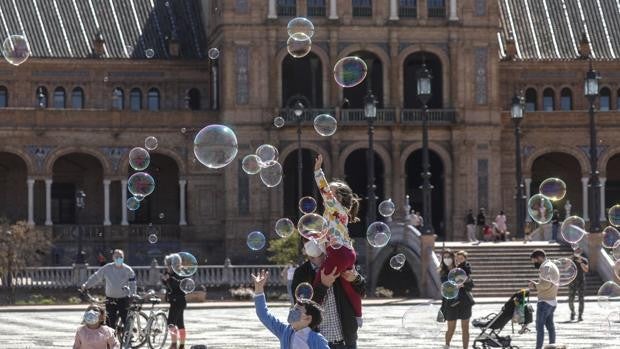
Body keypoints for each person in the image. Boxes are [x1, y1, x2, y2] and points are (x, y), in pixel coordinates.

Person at [312, 155, 363, 323]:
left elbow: (324, 190)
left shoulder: (334, 207)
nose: (327, 194)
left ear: (338, 197)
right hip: (348, 252)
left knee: (320, 279)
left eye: (331, 192)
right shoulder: (338, 214)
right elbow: (325, 234)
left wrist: (318, 171)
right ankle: (358, 316)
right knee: (349, 286)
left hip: (338, 253)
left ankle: (310, 315)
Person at [292, 239, 366, 349]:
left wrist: (355, 278)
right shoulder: (302, 273)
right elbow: (303, 308)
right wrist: (323, 285)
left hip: (346, 339)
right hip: (319, 341)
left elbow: (363, 291)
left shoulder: (339, 261)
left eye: (322, 254)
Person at [252, 270, 329, 349]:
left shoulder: (317, 340)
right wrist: (259, 290)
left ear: (308, 318)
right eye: (293, 308)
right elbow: (263, 314)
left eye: (296, 310)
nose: (291, 311)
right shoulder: (285, 331)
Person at [80, 249, 136, 330]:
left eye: (120, 257)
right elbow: (96, 277)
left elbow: (132, 283)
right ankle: (111, 339)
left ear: (123, 258)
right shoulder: (107, 268)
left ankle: (129, 337)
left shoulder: (128, 270)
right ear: (113, 257)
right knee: (110, 321)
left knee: (126, 319)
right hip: (110, 299)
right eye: (116, 257)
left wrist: (132, 295)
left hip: (124, 299)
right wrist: (86, 285)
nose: (118, 259)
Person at [439, 250, 475, 349]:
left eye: (449, 257)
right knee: (451, 328)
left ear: (453, 258)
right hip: (451, 304)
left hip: (464, 302)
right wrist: (454, 286)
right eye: (445, 257)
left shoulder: (461, 269)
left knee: (465, 328)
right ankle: (447, 345)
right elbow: (445, 288)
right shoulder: (443, 272)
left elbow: (471, 285)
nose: (447, 259)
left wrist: (464, 283)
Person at [529, 249, 559, 349]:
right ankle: (552, 346)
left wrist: (534, 286)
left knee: (539, 327)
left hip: (545, 302)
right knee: (550, 326)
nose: (534, 264)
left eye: (535, 261)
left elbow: (545, 284)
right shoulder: (551, 265)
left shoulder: (546, 267)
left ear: (540, 258)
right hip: (552, 301)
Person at [163, 254, 188, 349]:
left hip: (178, 302)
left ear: (173, 264)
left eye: (168, 264)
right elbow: (169, 286)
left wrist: (169, 279)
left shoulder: (180, 273)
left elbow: (177, 286)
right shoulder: (172, 273)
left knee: (170, 323)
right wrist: (165, 280)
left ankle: (174, 345)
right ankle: (181, 345)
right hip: (175, 301)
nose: (167, 266)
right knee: (180, 324)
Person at [568, 247, 589, 321]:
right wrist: (569, 262)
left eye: (579, 251)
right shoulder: (570, 259)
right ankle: (573, 312)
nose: (577, 251)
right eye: (576, 250)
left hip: (581, 281)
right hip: (572, 281)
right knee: (570, 299)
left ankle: (580, 315)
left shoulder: (584, 260)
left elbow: (586, 270)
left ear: (581, 252)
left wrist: (581, 263)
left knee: (581, 299)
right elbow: (565, 268)